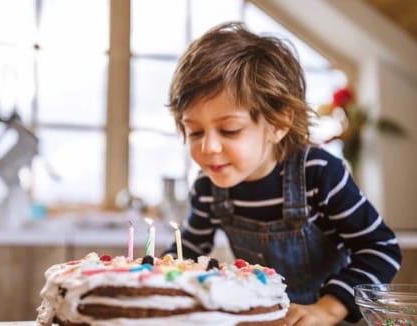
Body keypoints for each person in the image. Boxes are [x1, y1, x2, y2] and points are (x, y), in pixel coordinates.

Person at [163, 22, 401, 325]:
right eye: (195, 132)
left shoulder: (319, 173)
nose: (209, 147)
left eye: (229, 130)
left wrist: (329, 307)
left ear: (277, 123)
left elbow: (381, 248)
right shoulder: (207, 187)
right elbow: (187, 251)